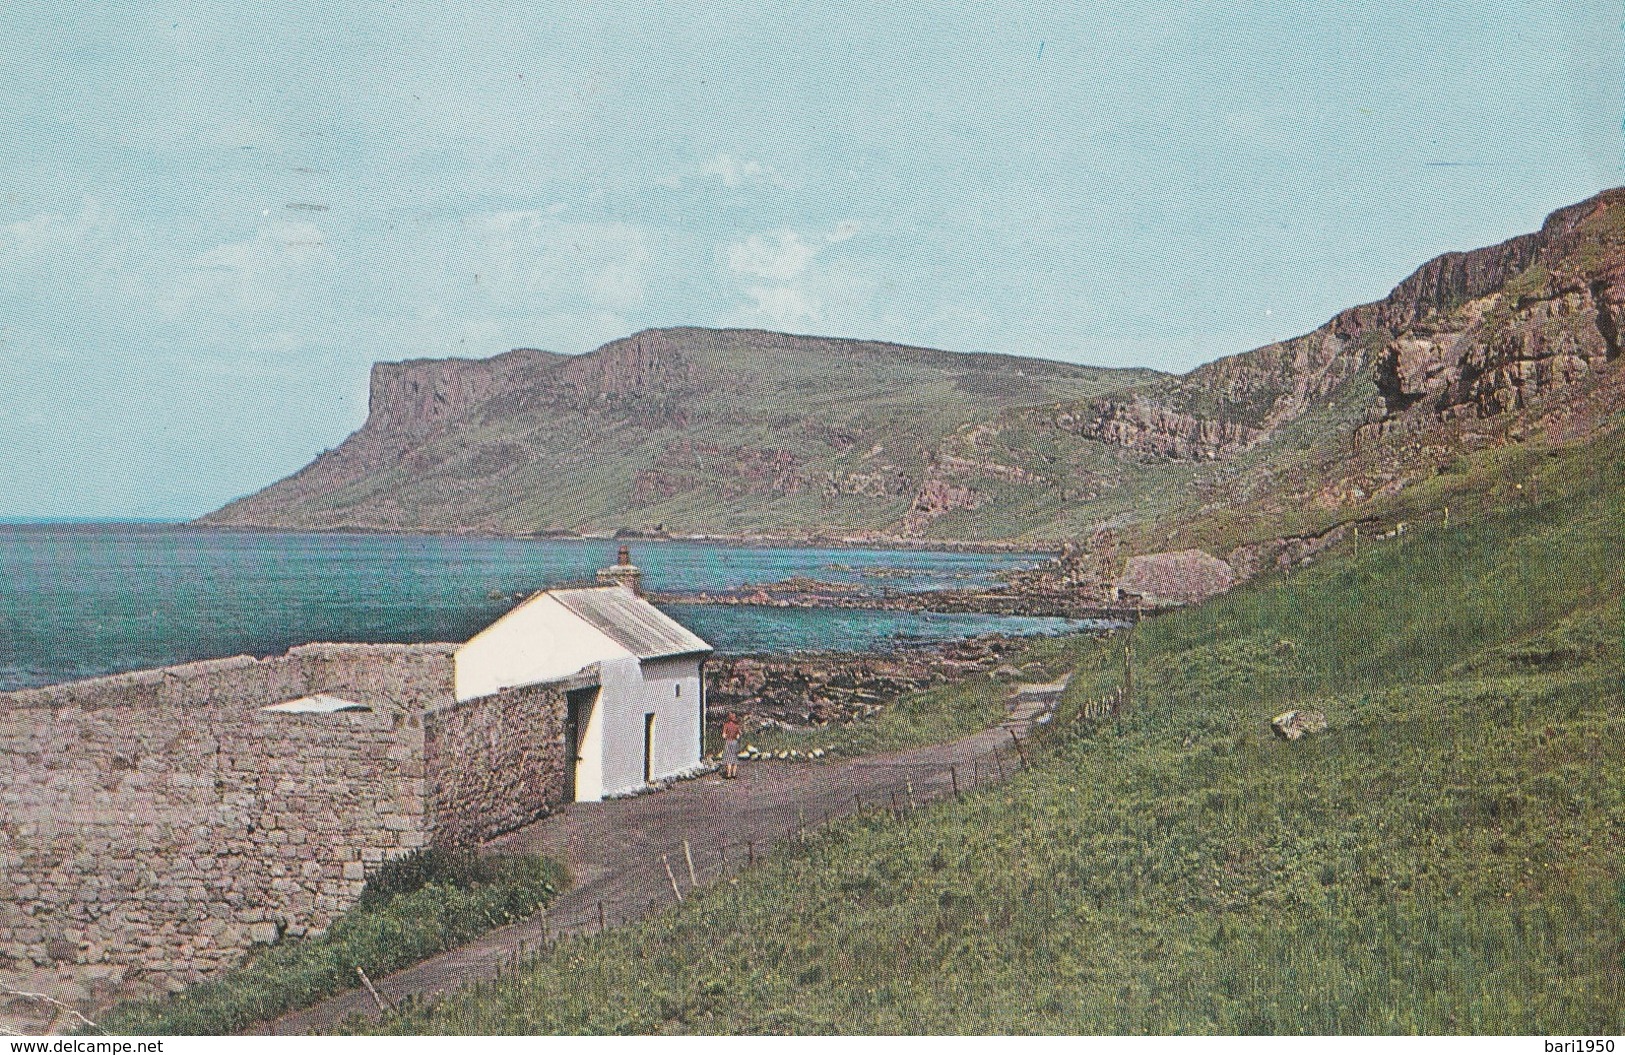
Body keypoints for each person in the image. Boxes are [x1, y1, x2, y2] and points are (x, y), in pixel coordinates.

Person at [721, 712, 742, 779]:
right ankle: (734, 774)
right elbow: (739, 735)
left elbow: (723, 736)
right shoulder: (737, 726)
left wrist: (727, 735)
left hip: (728, 742)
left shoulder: (726, 725)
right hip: (735, 742)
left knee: (728, 758)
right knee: (735, 758)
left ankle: (729, 774)